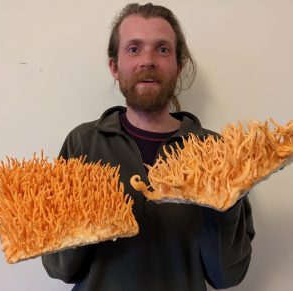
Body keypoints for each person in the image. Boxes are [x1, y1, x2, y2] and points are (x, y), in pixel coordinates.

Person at [42, 3, 255, 291]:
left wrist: (223, 201)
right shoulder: (83, 143)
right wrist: (87, 215)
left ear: (179, 66)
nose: (148, 61)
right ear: (114, 66)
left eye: (162, 49)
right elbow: (60, 268)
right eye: (134, 49)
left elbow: (225, 276)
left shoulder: (216, 152)